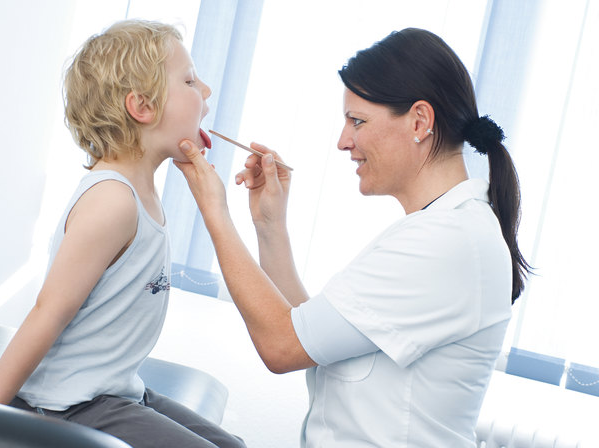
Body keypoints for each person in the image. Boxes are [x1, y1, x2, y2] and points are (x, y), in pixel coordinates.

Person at [174, 27, 531, 447]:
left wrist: (214, 212)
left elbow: (281, 345)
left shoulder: (446, 242)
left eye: (357, 121)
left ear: (420, 121)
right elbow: (306, 331)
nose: (344, 142)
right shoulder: (442, 230)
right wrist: (270, 225)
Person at [0, 19, 245, 448]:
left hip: (114, 390)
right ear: (142, 106)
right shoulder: (113, 201)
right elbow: (47, 313)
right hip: (68, 404)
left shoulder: (142, 193)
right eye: (191, 80)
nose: (208, 91)